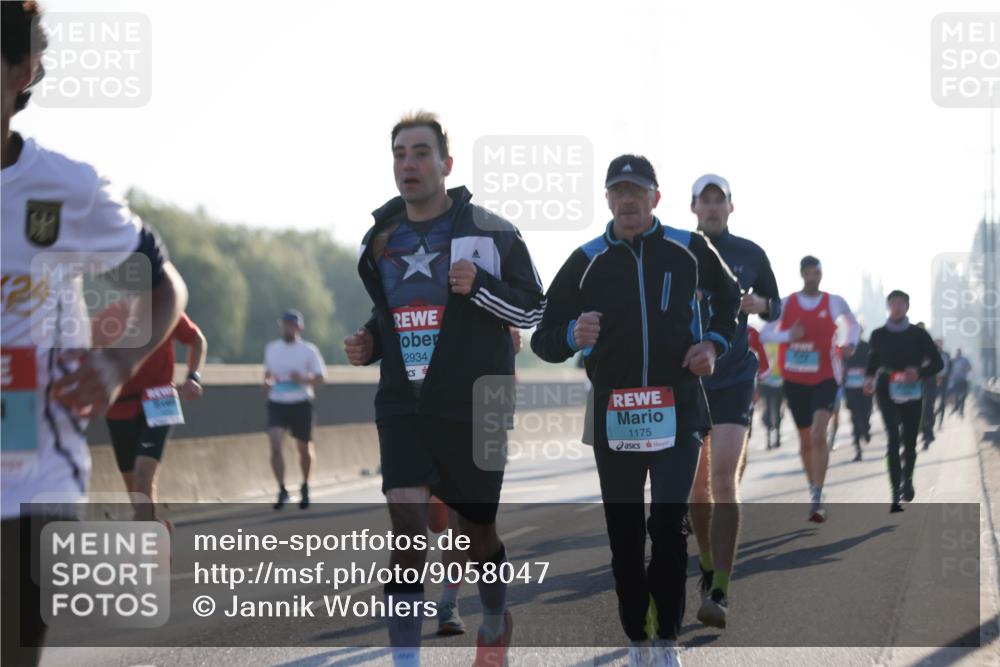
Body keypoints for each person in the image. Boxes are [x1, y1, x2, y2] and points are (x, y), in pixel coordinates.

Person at [1, 4, 187, 664]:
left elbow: (165, 285)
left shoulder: (64, 187)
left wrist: (114, 367)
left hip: (30, 472)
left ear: (21, 71)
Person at [344, 112, 544, 667]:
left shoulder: (492, 231)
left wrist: (479, 288)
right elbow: (393, 311)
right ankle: (406, 661)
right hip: (405, 403)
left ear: (446, 164)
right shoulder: (381, 238)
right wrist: (370, 339)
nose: (409, 164)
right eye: (400, 154)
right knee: (407, 528)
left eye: (421, 153)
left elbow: (533, 307)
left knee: (478, 535)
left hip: (479, 401)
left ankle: (496, 620)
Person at [532, 154, 739, 666]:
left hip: (679, 409)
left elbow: (730, 298)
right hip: (615, 413)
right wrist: (568, 335)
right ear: (606, 199)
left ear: (656, 198)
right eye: (618, 191)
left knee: (668, 525)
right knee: (625, 535)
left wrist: (712, 344)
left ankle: (667, 639)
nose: (627, 200)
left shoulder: (687, 248)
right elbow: (541, 336)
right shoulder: (586, 259)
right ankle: (638, 637)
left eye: (637, 191)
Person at [685, 173, 781, 630]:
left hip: (736, 374)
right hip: (689, 378)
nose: (711, 208)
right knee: (694, 489)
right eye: (704, 202)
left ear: (730, 207)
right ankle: (706, 564)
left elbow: (775, 305)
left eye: (718, 200)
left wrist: (757, 302)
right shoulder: (678, 250)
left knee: (723, 478)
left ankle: (721, 588)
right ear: (693, 209)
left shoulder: (750, 253)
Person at [760, 256, 860, 522]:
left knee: (818, 434)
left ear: (821, 274)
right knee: (805, 440)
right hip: (794, 380)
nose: (814, 277)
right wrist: (787, 336)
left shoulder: (834, 301)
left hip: (826, 376)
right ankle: (812, 486)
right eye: (809, 273)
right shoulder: (787, 303)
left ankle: (817, 495)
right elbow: (765, 334)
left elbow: (853, 324)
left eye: (818, 272)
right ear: (802, 274)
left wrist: (850, 342)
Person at [93, 306, 206, 522]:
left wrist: (194, 377)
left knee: (144, 477)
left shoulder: (165, 308)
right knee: (135, 489)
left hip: (159, 398)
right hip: (119, 407)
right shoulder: (107, 317)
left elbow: (197, 339)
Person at [863, 291, 943, 512]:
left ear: (907, 307)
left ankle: (907, 479)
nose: (897, 307)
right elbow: (873, 360)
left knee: (909, 441)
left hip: (912, 390)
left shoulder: (919, 335)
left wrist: (919, 371)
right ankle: (894, 492)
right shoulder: (878, 334)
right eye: (893, 303)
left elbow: (938, 364)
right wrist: (869, 378)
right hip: (887, 388)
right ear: (888, 306)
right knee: (893, 439)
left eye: (901, 304)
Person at [263, 309, 326, 510]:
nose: (287, 328)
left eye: (291, 324)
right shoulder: (272, 348)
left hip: (301, 402)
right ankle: (281, 489)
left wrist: (303, 379)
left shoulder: (309, 350)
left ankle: (305, 486)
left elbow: (321, 377)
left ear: (299, 327)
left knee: (304, 448)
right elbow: (267, 374)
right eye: (284, 324)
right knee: (274, 442)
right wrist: (266, 382)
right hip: (278, 402)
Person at [841, 327, 873, 462]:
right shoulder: (845, 348)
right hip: (850, 387)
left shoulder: (867, 347)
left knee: (866, 412)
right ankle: (857, 448)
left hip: (865, 386)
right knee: (854, 417)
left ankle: (866, 428)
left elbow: (873, 363)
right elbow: (839, 364)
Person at [758, 342, 785, 450]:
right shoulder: (766, 340)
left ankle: (776, 438)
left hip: (777, 381)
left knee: (775, 410)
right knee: (771, 410)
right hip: (768, 382)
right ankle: (770, 439)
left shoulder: (774, 341)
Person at [933, 339, 952, 431]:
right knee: (931, 402)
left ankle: (940, 422)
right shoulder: (932, 354)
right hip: (933, 381)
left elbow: (950, 367)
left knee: (943, 403)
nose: (940, 345)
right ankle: (931, 420)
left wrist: (947, 377)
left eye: (941, 344)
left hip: (944, 380)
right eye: (938, 344)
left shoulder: (947, 355)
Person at [949, 349, 972, 417]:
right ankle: (958, 408)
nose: (958, 353)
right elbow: (949, 369)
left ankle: (960, 409)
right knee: (957, 395)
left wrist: (965, 369)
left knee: (964, 395)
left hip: (963, 380)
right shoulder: (953, 360)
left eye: (959, 352)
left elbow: (970, 367)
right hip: (956, 380)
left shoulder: (964, 360)